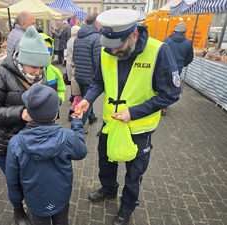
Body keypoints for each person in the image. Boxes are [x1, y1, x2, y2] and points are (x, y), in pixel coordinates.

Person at [74, 9, 181, 225]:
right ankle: (108, 188)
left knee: (134, 173)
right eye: (109, 47)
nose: (113, 52)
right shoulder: (108, 48)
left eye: (118, 47)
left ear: (133, 35)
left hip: (139, 128)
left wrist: (133, 112)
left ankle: (127, 207)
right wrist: (88, 99)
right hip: (110, 122)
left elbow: (171, 93)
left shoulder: (159, 51)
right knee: (106, 161)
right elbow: (98, 81)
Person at [0, 25, 51, 225]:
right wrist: (20, 113)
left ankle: (33, 204)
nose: (38, 72)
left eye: (41, 67)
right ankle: (18, 210)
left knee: (30, 179)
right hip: (4, 144)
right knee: (15, 181)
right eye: (33, 67)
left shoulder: (40, 74)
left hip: (30, 140)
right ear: (21, 60)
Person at [6, 83, 87, 225]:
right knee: (62, 221)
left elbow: (12, 180)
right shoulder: (68, 137)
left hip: (35, 199)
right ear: (56, 114)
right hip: (60, 196)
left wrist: (17, 203)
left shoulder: (15, 143)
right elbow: (81, 152)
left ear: (28, 114)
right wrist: (77, 123)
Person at [73, 13, 101, 126]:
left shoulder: (78, 37)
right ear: (96, 23)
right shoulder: (97, 38)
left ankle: (92, 117)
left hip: (79, 74)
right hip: (90, 77)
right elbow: (97, 61)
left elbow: (74, 56)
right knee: (88, 100)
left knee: (86, 98)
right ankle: (77, 125)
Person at [162, 22, 194, 115]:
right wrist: (182, 64)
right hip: (177, 69)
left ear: (174, 31)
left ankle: (161, 105)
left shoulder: (167, 41)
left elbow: (160, 53)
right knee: (171, 86)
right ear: (184, 32)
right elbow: (190, 57)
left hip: (164, 67)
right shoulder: (188, 43)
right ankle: (165, 106)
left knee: (162, 85)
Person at [39, 32, 66, 106]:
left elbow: (61, 90)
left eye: (49, 52)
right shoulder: (28, 72)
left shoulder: (55, 71)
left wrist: (59, 100)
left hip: (52, 112)